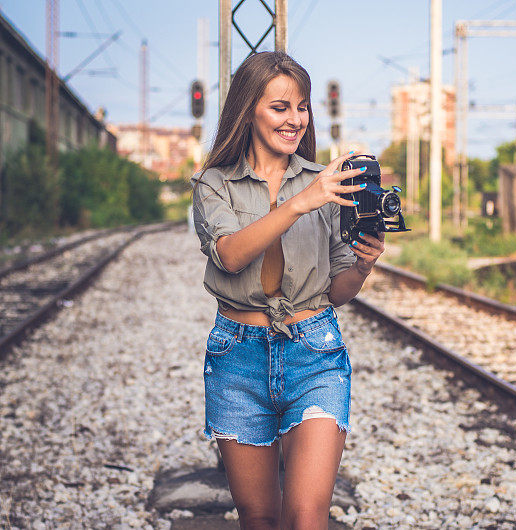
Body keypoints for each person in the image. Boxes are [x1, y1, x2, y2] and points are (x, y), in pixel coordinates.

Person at [190, 51, 384, 529]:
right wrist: (301, 202)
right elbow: (231, 254)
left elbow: (337, 292)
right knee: (258, 517)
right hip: (238, 359)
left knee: (306, 516)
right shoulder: (214, 185)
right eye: (281, 107)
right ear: (247, 110)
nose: (295, 119)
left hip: (313, 354)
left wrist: (362, 265)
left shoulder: (328, 184)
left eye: (302, 107)